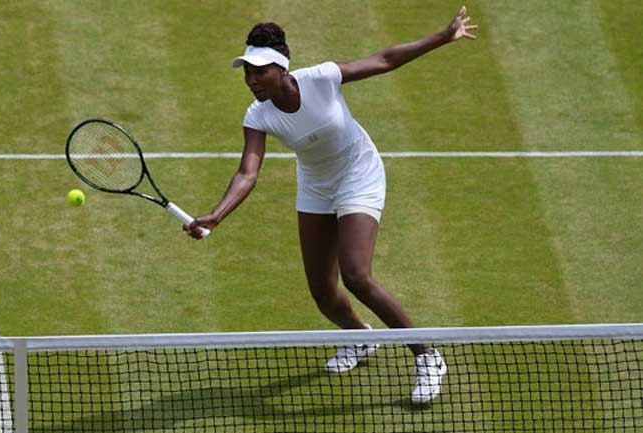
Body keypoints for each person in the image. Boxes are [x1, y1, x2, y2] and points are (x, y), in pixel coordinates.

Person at [186, 7, 478, 404]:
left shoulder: (321, 78)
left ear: (281, 68)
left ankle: (427, 356)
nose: (252, 80)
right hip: (316, 186)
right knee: (323, 291)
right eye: (247, 73)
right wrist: (217, 215)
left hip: (359, 174)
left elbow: (385, 59)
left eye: (260, 71)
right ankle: (360, 340)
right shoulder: (257, 115)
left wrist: (443, 37)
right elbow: (247, 173)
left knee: (357, 275)